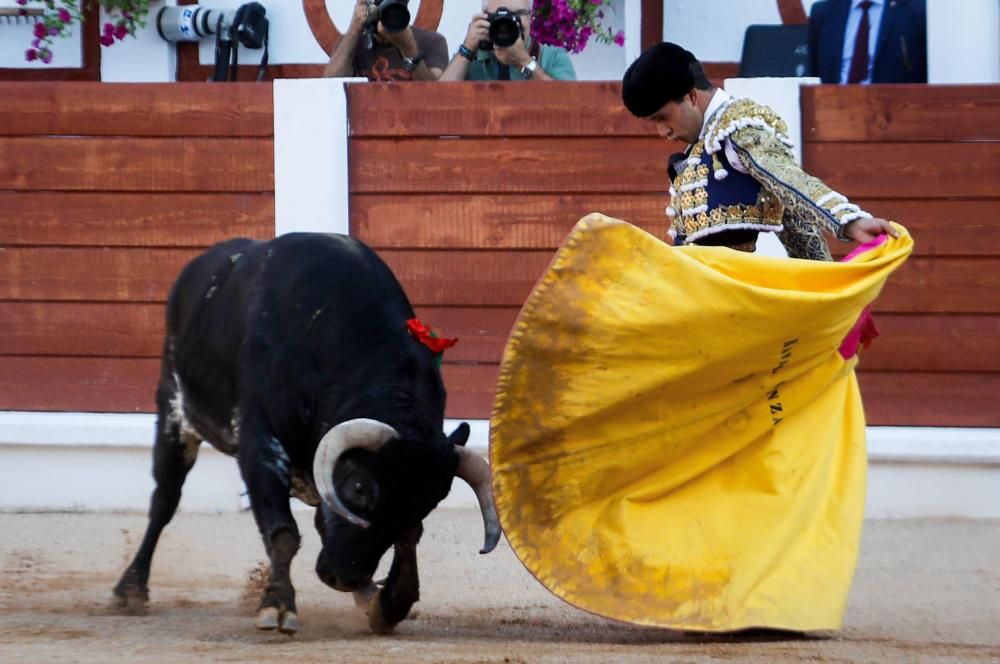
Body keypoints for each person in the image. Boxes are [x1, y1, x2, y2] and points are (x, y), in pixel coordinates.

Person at [621, 42, 898, 260]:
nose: (663, 132)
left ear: (691, 96)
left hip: (733, 298)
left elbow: (788, 182)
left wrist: (849, 221)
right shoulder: (701, 145)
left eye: (662, 118)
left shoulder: (739, 129)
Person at [438, 0, 576, 82]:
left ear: (530, 16)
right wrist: (466, 50)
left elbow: (573, 104)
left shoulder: (553, 57)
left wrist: (524, 62)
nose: (509, 23)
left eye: (519, 14)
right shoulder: (471, 58)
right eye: (499, 16)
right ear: (485, 17)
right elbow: (439, 100)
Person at [323, 0, 448, 81]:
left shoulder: (431, 42)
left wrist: (409, 48)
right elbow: (329, 86)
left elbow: (434, 95)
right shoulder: (351, 43)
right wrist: (354, 30)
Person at [808, 0, 927, 84]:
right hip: (832, 108)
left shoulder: (916, 11)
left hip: (891, 110)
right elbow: (813, 73)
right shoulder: (824, 12)